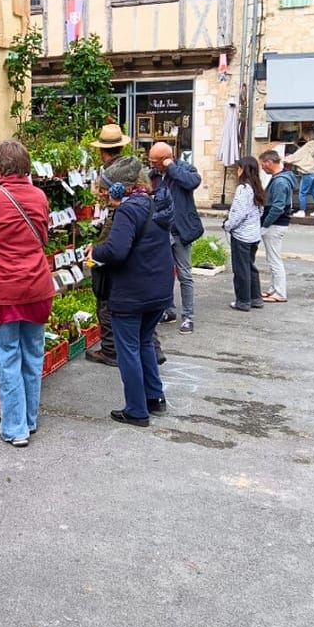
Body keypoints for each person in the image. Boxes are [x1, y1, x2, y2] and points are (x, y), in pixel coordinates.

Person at [0, 139, 54, 448]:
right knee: (32, 353)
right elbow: (43, 235)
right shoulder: (39, 196)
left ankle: (15, 427)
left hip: (1, 289)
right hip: (37, 287)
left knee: (6, 357)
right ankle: (29, 419)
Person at [87, 168, 174, 428]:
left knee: (128, 350)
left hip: (133, 292)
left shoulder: (127, 210)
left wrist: (95, 251)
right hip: (159, 288)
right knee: (145, 341)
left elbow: (116, 250)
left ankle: (136, 410)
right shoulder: (153, 202)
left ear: (119, 188)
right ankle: (155, 397)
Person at [84, 122, 134, 367]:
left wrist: (97, 250)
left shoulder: (108, 174)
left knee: (104, 295)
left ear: (103, 151)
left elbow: (105, 205)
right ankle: (129, 346)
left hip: (112, 238)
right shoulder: (133, 168)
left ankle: (110, 350)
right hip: (131, 240)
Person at [148, 141, 203, 335]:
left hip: (180, 230)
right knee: (164, 273)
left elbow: (193, 182)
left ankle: (188, 316)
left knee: (185, 274)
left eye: (155, 161)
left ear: (166, 159)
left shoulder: (184, 169)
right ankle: (168, 310)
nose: (151, 164)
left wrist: (171, 167)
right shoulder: (153, 175)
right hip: (161, 231)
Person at [222, 156, 266, 311]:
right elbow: (260, 211)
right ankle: (256, 298)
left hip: (242, 235)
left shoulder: (243, 189)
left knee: (241, 269)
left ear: (244, 170)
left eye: (239, 168)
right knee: (250, 266)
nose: (237, 171)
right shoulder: (257, 187)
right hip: (253, 234)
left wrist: (227, 225)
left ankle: (243, 300)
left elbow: (238, 213)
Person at [258, 149, 297, 303]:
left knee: (274, 259)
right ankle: (273, 289)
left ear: (269, 162)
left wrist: (265, 224)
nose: (262, 168)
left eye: (263, 164)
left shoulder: (280, 181)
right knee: (272, 258)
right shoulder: (282, 178)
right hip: (277, 224)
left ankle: (280, 292)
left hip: (275, 224)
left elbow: (277, 207)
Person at [285, 126, 314, 217]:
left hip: (308, 172)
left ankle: (302, 211)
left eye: (304, 136)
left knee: (302, 192)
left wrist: (284, 159)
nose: (303, 138)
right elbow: (305, 153)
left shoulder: (307, 146)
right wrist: (297, 146)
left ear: (307, 136)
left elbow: (299, 155)